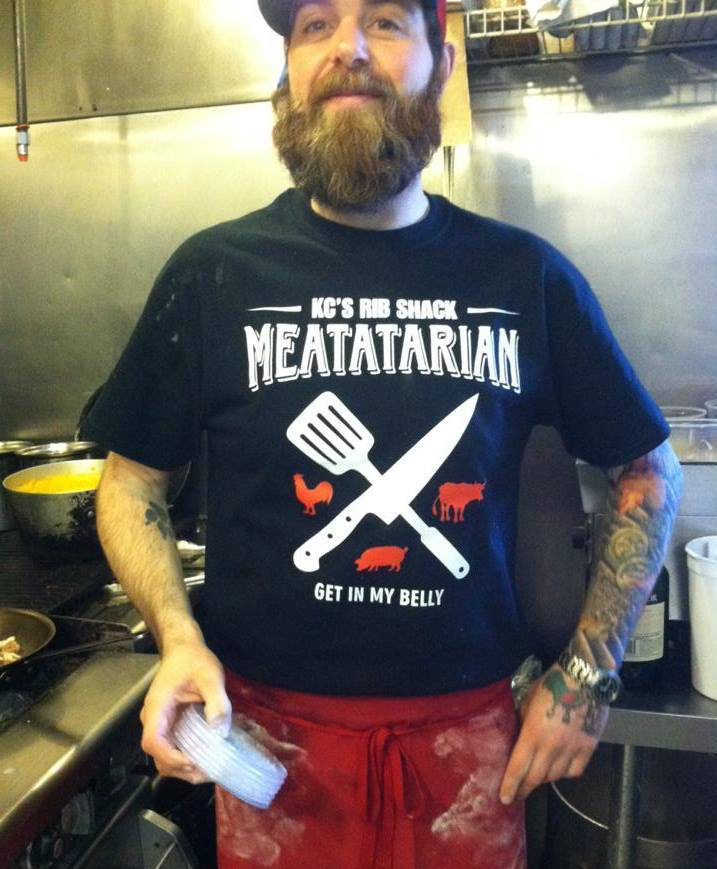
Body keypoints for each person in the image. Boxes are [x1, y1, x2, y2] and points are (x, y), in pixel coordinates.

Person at [83, 1, 682, 867]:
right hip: (265, 745)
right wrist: (177, 637)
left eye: (385, 22)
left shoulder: (523, 276)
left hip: (472, 750)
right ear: (288, 74)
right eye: (314, 24)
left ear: (442, 63)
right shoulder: (212, 274)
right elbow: (130, 482)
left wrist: (587, 675)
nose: (347, 48)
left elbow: (648, 473)